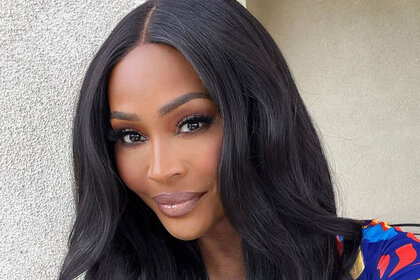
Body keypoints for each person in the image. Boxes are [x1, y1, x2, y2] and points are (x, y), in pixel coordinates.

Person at [58, 0, 420, 279]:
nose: (160, 170)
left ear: (261, 116)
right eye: (131, 135)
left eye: (192, 123)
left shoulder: (388, 263)